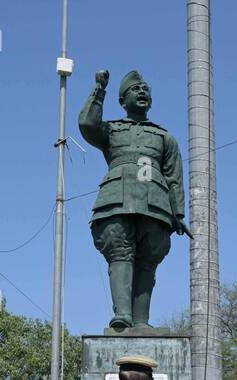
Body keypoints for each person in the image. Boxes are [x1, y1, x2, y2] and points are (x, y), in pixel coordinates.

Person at [79, 69, 189, 330]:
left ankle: (141, 321)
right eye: (135, 89)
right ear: (122, 100)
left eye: (146, 89)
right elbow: (87, 125)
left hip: (155, 205)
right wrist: (99, 89)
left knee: (149, 258)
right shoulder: (112, 130)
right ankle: (123, 316)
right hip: (117, 200)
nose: (142, 92)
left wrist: (179, 214)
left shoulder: (165, 138)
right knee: (121, 251)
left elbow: (174, 176)